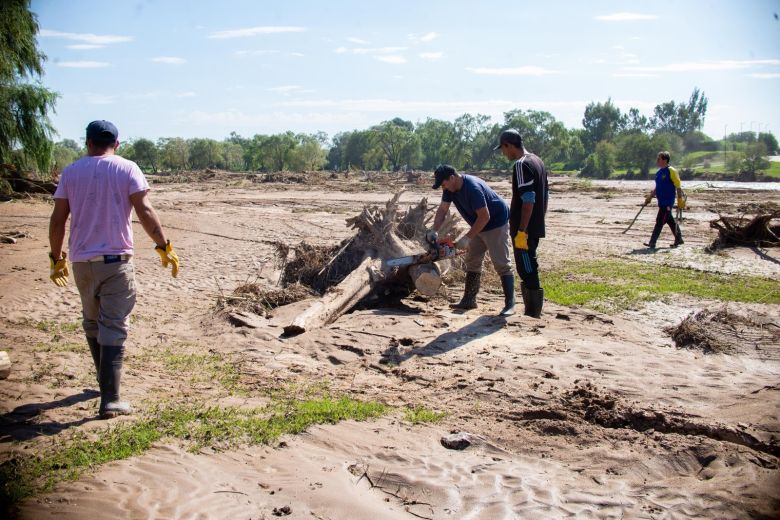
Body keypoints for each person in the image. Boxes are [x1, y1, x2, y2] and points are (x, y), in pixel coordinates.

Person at [48, 120, 180, 419]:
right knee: (114, 328)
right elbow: (144, 210)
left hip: (81, 263)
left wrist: (56, 259)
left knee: (92, 323)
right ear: (116, 144)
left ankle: (103, 382)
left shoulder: (71, 172)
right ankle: (111, 399)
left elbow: (57, 220)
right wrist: (164, 246)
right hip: (116, 263)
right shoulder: (127, 168)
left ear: (87, 142)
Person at [429, 164, 515, 316]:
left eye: (443, 184)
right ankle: (469, 300)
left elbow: (485, 216)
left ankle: (510, 304)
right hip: (478, 223)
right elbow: (443, 209)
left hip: (495, 223)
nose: (444, 188)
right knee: (473, 260)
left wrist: (467, 238)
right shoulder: (450, 188)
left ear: (452, 178)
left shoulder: (472, 188)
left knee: (501, 263)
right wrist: (434, 230)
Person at [495, 129, 549, 318]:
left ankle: (533, 313)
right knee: (529, 265)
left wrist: (522, 230)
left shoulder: (521, 165)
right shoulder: (538, 161)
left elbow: (529, 199)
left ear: (509, 145)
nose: (504, 153)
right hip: (534, 226)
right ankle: (532, 312)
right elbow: (545, 195)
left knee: (527, 268)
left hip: (524, 230)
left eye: (503, 149)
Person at [643, 151, 685, 250]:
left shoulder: (671, 171)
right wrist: (650, 197)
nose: (657, 161)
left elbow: (678, 186)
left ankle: (652, 242)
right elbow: (657, 188)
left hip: (668, 202)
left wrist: (680, 199)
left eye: (659, 159)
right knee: (670, 220)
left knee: (659, 221)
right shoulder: (658, 173)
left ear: (665, 160)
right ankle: (679, 239)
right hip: (661, 202)